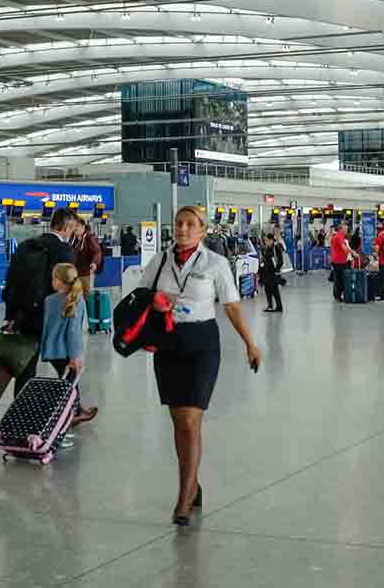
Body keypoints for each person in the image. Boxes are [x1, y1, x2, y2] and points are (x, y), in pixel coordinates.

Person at [136, 206, 261, 527]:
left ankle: (184, 496)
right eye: (179, 223)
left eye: (191, 224)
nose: (183, 229)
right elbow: (141, 294)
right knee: (179, 422)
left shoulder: (215, 263)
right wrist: (155, 302)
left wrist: (250, 343)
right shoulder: (161, 260)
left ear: (203, 230)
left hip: (201, 343)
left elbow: (231, 306)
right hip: (168, 343)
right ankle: (193, 482)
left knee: (191, 422)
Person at [3, 208, 79, 395]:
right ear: (66, 227)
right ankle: (73, 407)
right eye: (72, 229)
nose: (72, 234)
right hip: (51, 318)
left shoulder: (25, 246)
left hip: (25, 316)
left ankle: (20, 409)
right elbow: (66, 289)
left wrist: (12, 315)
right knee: (67, 364)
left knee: (27, 367)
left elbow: (11, 281)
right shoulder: (64, 251)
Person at [40, 263, 98, 425]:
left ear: (59, 282)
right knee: (69, 383)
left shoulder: (49, 300)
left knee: (69, 381)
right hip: (66, 351)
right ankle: (71, 413)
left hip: (52, 350)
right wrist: (75, 356)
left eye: (54, 277)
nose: (52, 281)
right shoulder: (76, 301)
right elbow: (73, 332)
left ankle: (77, 409)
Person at [74, 218, 102, 304]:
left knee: (87, 297)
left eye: (77, 226)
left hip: (86, 273)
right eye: (73, 226)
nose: (75, 228)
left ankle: (89, 315)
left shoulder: (89, 237)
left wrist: (94, 263)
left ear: (83, 226)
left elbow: (97, 251)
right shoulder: (73, 239)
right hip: (75, 273)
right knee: (75, 296)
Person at [259, 233, 285, 312]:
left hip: (273, 273)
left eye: (267, 240)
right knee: (267, 290)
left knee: (274, 290)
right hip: (266, 272)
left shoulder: (276, 247)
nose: (265, 242)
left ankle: (279, 307)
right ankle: (270, 306)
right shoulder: (266, 248)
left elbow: (280, 260)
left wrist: (277, 269)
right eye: (265, 240)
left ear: (271, 240)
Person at [329, 221, 352, 301]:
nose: (347, 231)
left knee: (337, 278)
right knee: (340, 279)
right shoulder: (339, 236)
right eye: (346, 229)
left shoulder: (336, 236)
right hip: (339, 261)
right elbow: (344, 248)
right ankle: (339, 296)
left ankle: (336, 295)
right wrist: (352, 253)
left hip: (337, 260)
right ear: (341, 229)